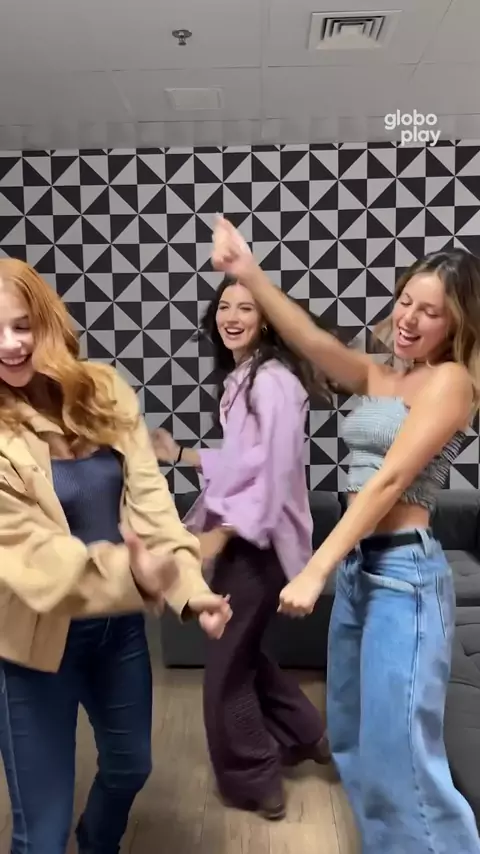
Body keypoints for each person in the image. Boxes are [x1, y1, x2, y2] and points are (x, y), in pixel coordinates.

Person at [209, 216, 480, 853]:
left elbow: (390, 483)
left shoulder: (452, 383)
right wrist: (249, 273)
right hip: (364, 572)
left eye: (430, 312)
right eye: (406, 301)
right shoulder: (385, 373)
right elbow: (309, 339)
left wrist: (315, 568)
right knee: (355, 741)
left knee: (403, 758)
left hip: (405, 578)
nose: (409, 318)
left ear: (458, 323)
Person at [0, 258, 232, 854]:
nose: (10, 345)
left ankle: (98, 844)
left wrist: (190, 588)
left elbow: (151, 502)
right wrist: (133, 573)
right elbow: (32, 554)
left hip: (118, 631)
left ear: (48, 320)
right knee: (40, 832)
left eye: (22, 325)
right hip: (32, 642)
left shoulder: (102, 390)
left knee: (131, 766)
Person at [151, 274, 331, 820]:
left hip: (259, 542)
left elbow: (273, 474)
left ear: (267, 319)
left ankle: (256, 778)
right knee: (243, 649)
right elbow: (245, 460)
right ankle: (306, 732)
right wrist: (180, 453)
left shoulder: (271, 382)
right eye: (224, 306)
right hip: (252, 538)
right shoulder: (247, 377)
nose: (231, 316)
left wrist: (221, 533)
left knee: (227, 665)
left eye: (246, 308)